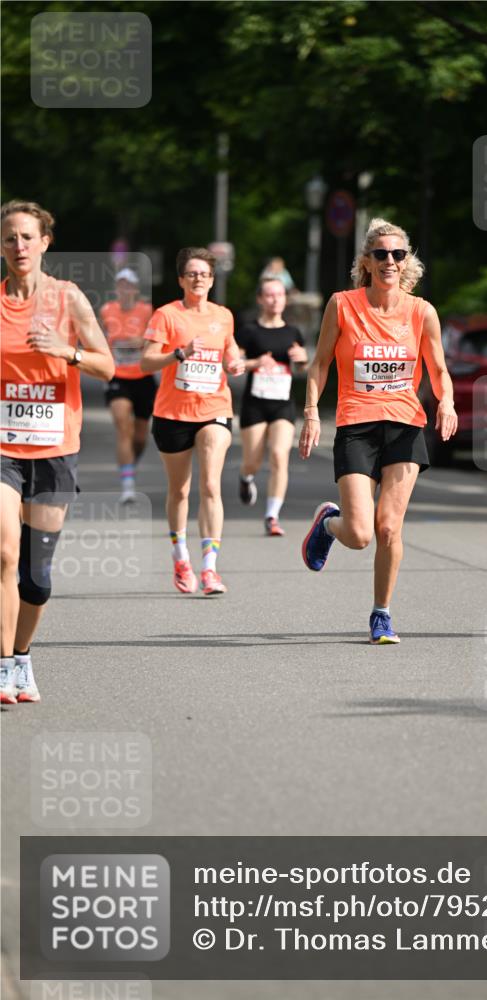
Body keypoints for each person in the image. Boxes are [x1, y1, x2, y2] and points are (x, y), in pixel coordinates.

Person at [299, 218, 458, 644]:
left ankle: (381, 614)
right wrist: (311, 412)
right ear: (366, 261)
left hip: (405, 426)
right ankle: (328, 525)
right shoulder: (342, 305)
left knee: (388, 529)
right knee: (360, 534)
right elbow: (320, 364)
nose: (390, 261)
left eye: (398, 254)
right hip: (356, 424)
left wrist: (446, 402)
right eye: (381, 254)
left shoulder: (421, 312)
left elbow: (439, 368)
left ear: (406, 262)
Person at [0, 199, 114, 704]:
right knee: (4, 553)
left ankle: (22, 656)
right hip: (3, 447)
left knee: (36, 576)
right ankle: (3, 666)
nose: (18, 246)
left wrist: (65, 351)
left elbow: (107, 366)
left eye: (27, 237)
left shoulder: (68, 299)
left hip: (54, 448)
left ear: (45, 242)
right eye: (9, 238)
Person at [140, 247, 245, 596]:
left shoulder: (223, 316)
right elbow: (146, 362)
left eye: (204, 274)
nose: (198, 279)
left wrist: (234, 362)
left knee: (211, 485)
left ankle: (210, 568)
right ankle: (181, 557)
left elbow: (230, 349)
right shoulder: (166, 315)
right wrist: (179, 354)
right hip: (172, 414)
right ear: (181, 280)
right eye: (192, 274)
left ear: (212, 280)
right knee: (180, 490)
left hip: (214, 408)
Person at [236, 276, 308, 535]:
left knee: (279, 455)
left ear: (285, 299)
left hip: (282, 404)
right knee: (252, 461)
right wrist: (255, 363)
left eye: (279, 295)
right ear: (260, 299)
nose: (275, 299)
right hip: (255, 404)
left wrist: (303, 360)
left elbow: (301, 367)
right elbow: (233, 364)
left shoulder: (293, 332)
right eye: (269, 295)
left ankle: (272, 516)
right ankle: (246, 477)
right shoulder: (249, 331)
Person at [100, 268, 155, 503]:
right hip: (117, 376)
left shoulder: (147, 311)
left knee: (140, 436)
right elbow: (100, 337)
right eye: (121, 284)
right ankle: (128, 485)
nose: (124, 289)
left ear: (135, 289)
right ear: (116, 288)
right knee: (123, 427)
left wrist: (140, 341)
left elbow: (156, 339)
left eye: (128, 285)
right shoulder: (107, 310)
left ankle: (130, 463)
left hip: (142, 376)